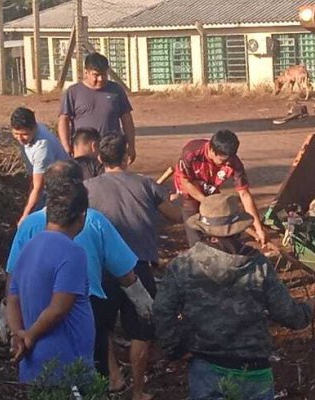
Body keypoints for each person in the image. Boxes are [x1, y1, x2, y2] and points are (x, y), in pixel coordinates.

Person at [5, 160, 154, 392]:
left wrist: (18, 332)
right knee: (90, 381)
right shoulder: (89, 228)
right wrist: (143, 302)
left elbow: (12, 285)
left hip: (32, 311)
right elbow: (124, 272)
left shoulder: (29, 231)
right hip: (80, 317)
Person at [154, 194, 315, 400]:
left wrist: (175, 349)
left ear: (203, 230)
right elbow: (288, 314)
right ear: (238, 230)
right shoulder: (258, 265)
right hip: (253, 370)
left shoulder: (183, 265)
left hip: (206, 367)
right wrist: (309, 310)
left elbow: (162, 311)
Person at [85, 134, 181, 400]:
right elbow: (175, 216)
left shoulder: (87, 189)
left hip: (103, 269)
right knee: (141, 330)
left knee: (103, 326)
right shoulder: (146, 185)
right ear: (127, 157)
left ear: (100, 157)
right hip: (138, 268)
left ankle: (114, 377)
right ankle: (138, 391)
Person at [4, 159, 93, 384]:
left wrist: (17, 334)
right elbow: (59, 308)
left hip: (33, 365)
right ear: (81, 215)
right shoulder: (73, 252)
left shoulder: (29, 246)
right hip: (65, 366)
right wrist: (30, 336)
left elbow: (12, 299)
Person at [173, 130, 267, 247]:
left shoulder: (233, 162)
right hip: (189, 188)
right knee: (193, 218)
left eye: (229, 160)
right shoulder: (191, 153)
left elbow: (244, 194)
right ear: (212, 151)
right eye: (223, 161)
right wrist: (208, 203)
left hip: (210, 187)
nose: (227, 164)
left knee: (221, 223)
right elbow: (186, 182)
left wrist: (258, 228)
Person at [59, 53, 137, 163]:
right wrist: (66, 145)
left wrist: (131, 145)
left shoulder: (116, 90)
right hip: (83, 151)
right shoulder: (73, 92)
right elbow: (64, 120)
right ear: (86, 72)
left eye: (104, 74)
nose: (100, 79)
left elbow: (127, 119)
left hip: (110, 150)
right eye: (96, 75)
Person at [11, 107, 69, 225]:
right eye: (16, 134)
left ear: (34, 128)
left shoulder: (42, 148)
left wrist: (25, 216)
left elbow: (38, 188)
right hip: (45, 181)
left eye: (24, 134)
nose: (20, 139)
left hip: (59, 189)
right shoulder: (33, 133)